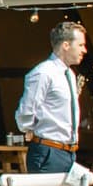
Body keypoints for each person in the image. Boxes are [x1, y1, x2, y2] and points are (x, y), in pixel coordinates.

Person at [14, 20, 86, 176]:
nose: (84, 50)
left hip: (68, 152)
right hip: (48, 151)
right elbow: (26, 110)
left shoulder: (70, 75)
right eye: (80, 45)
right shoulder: (43, 73)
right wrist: (29, 129)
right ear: (66, 45)